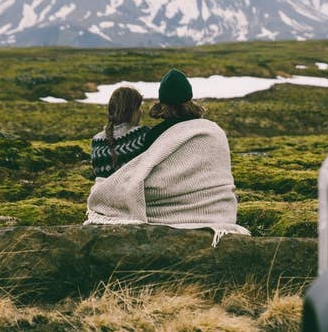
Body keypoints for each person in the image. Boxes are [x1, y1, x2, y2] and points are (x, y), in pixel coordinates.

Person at [85, 69, 249, 246]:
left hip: (164, 209)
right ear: (189, 99)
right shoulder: (213, 131)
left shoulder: (154, 134)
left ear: (162, 103)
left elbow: (143, 173)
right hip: (219, 208)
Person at [90, 86, 150, 178]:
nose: (141, 111)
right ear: (132, 111)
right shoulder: (143, 135)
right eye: (139, 107)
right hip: (136, 192)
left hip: (103, 192)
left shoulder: (96, 141)